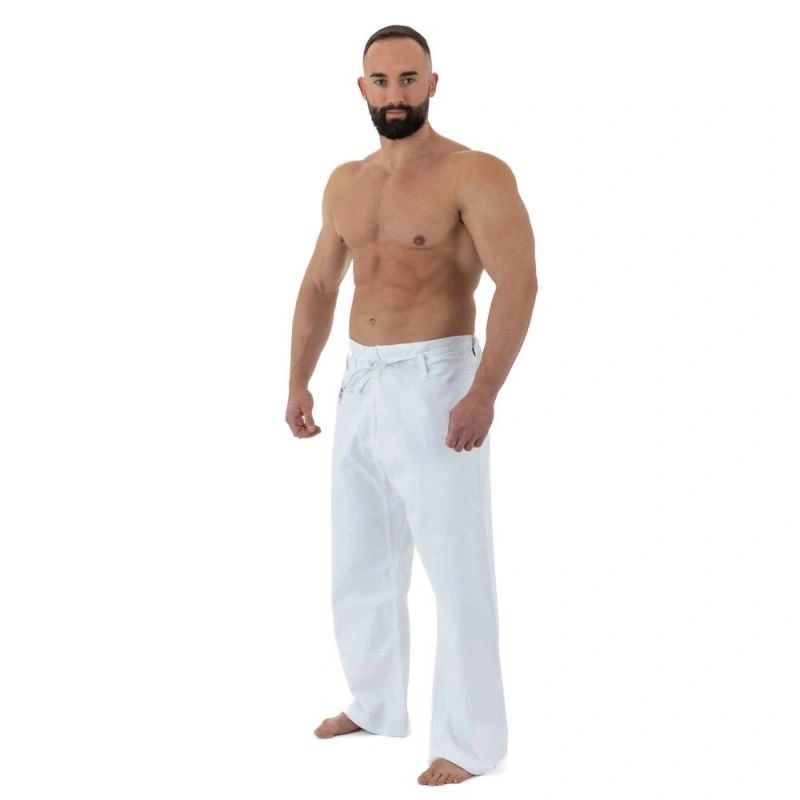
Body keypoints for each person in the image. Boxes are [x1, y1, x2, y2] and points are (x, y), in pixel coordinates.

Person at [285, 24, 538, 786]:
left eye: (408, 79)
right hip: (360, 379)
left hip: (437, 378)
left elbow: (519, 283)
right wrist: (298, 380)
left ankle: (470, 742)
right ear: (362, 89)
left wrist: (483, 389)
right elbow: (320, 284)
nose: (395, 94)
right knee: (360, 555)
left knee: (457, 568)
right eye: (382, 80)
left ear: (432, 84)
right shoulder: (345, 182)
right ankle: (374, 703)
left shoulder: (473, 173)